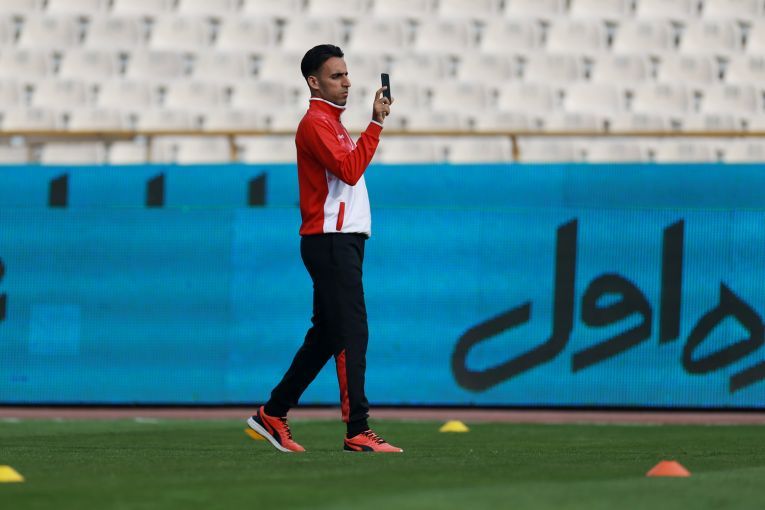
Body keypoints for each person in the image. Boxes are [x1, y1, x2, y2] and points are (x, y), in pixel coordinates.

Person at [246, 44, 402, 453]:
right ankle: (357, 429)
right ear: (314, 82)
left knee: (327, 336)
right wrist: (375, 125)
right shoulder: (316, 123)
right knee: (352, 332)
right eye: (337, 76)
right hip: (331, 240)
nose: (347, 82)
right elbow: (349, 171)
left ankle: (273, 413)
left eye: (347, 74)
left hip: (339, 240)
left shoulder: (331, 122)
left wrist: (370, 124)